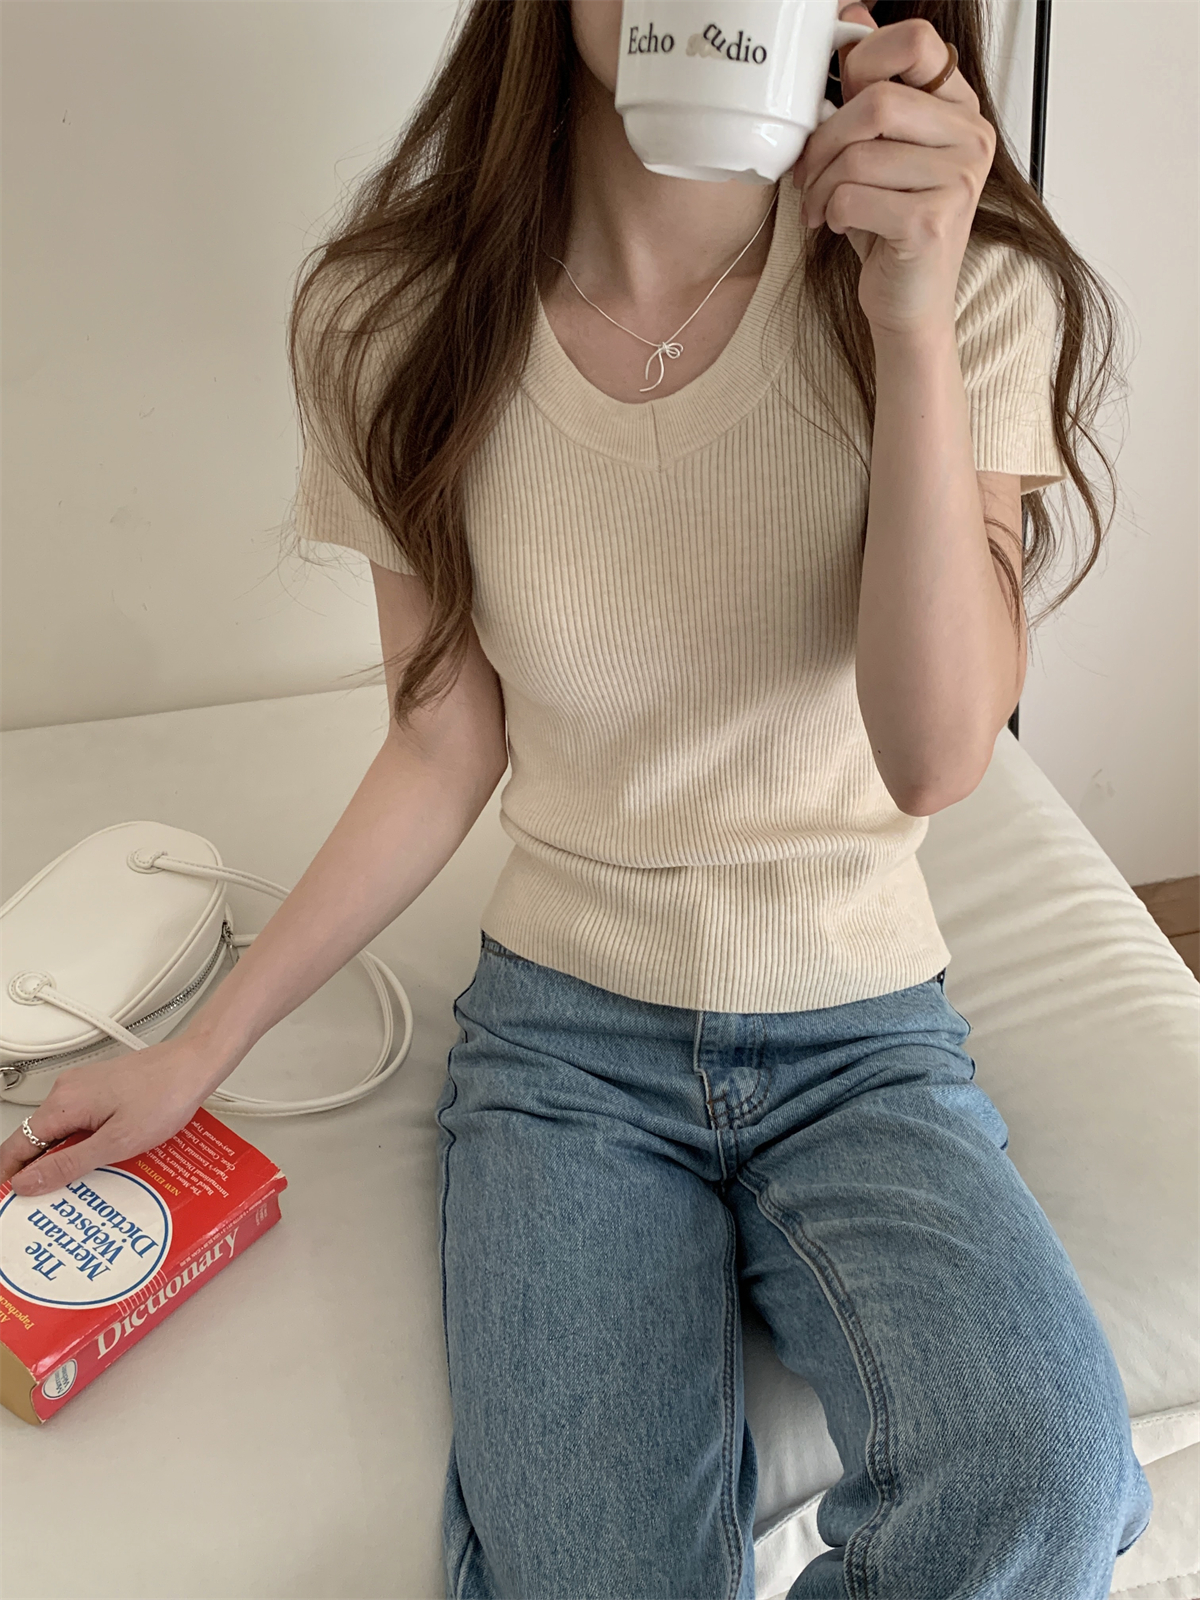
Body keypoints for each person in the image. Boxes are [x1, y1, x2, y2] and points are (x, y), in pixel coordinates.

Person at [1, 1, 1153, 1594]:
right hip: (566, 1050)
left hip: (864, 1035)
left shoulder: (965, 282)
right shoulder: (393, 315)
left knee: (1045, 1480)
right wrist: (201, 1050)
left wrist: (908, 318)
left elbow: (936, 754)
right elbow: (441, 739)